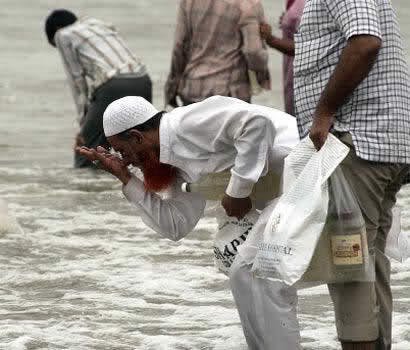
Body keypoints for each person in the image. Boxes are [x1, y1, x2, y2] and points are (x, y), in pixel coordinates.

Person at [77, 95, 302, 349]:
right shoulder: (171, 160)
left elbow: (257, 123)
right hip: (287, 192)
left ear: (138, 137)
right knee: (245, 275)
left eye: (124, 151)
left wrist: (238, 190)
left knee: (253, 270)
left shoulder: (186, 123)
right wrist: (126, 177)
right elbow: (175, 225)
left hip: (306, 169)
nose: (126, 159)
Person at [293, 0, 410, 349]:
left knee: (348, 264)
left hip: (357, 139)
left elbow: (365, 41)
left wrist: (323, 111)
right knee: (367, 260)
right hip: (379, 139)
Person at [45, 9, 152, 168]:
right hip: (143, 81)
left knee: (86, 150)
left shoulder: (62, 35)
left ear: (56, 30)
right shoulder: (98, 24)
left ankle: (88, 190)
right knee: (137, 144)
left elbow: (77, 82)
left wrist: (83, 125)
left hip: (113, 84)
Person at [164, 0, 271, 107]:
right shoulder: (248, 5)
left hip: (193, 89)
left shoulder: (188, 2)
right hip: (230, 93)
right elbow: (253, 52)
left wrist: (172, 87)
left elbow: (179, 46)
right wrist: (261, 77)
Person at [259, 0, 305, 115]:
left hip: (305, 81)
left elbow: (307, 47)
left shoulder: (307, 4)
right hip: (293, 75)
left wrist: (271, 39)